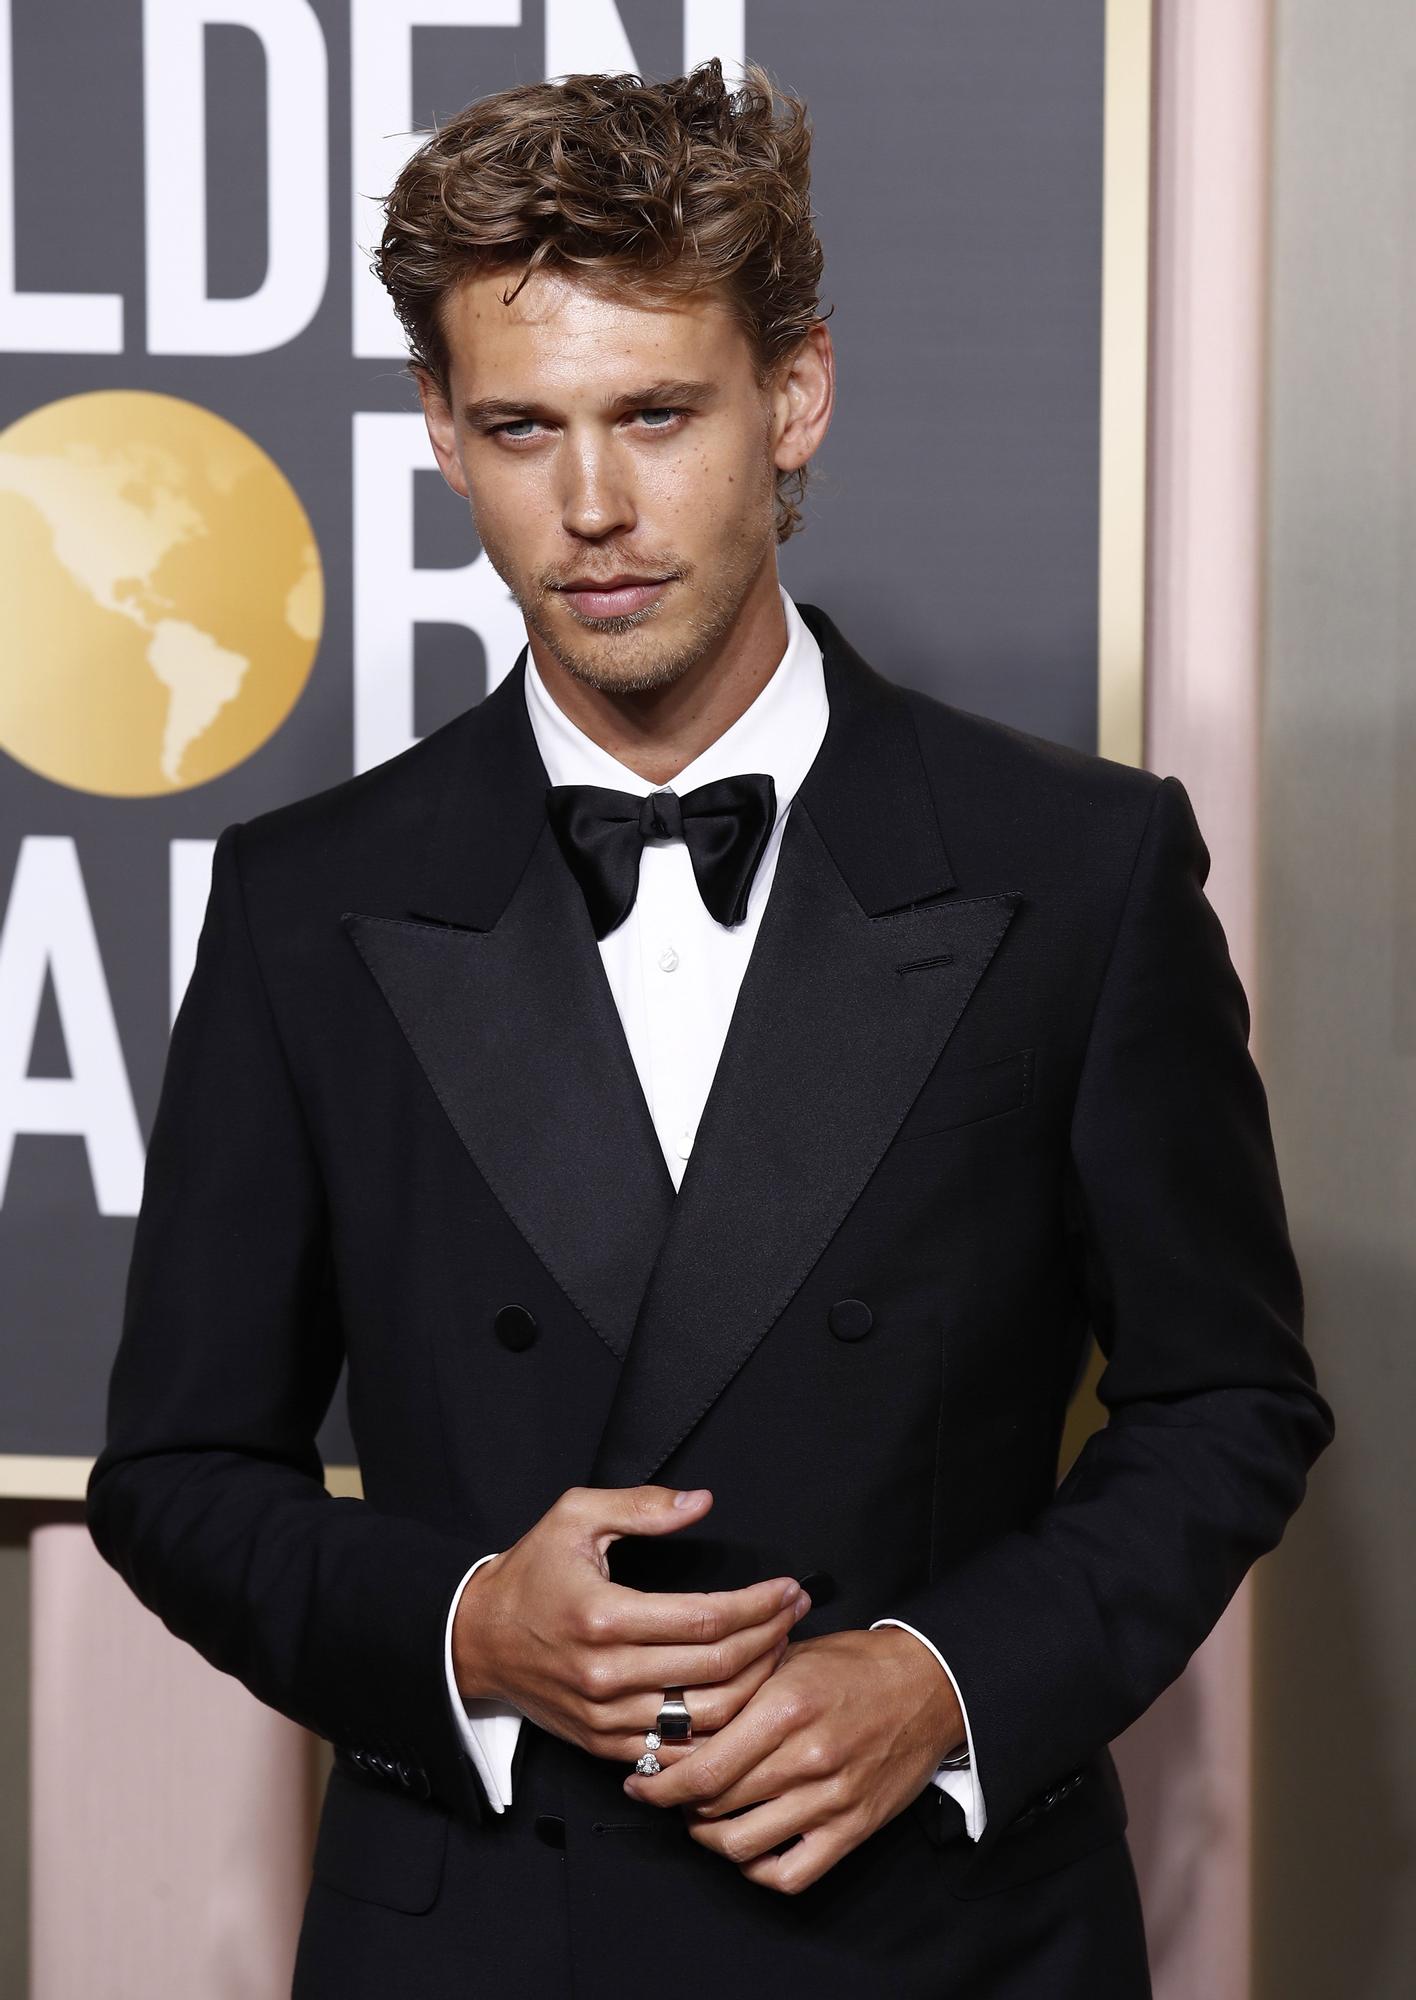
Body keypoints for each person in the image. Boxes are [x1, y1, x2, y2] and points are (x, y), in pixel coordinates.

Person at [86, 58, 1335, 1998]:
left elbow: (1228, 1401)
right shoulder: (306, 899)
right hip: (485, 1933)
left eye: (657, 415)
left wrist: (941, 1681)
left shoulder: (1076, 868)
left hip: (943, 1938)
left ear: (796, 397)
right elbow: (173, 1471)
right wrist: (471, 1631)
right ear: (440, 430)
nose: (591, 509)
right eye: (521, 428)